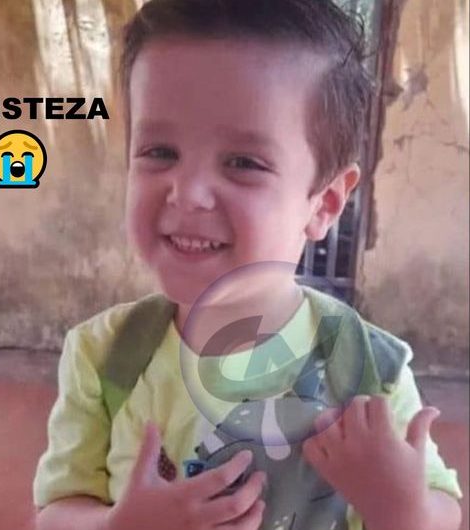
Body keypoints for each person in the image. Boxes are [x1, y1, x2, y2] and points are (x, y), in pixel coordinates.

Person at [33, 1, 463, 529]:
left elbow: (443, 511)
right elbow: (55, 511)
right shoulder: (105, 358)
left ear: (325, 203)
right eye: (160, 151)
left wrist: (402, 507)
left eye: (243, 163)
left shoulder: (367, 369)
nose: (187, 193)